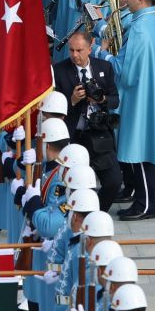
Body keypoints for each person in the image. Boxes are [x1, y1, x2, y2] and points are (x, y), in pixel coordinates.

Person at [110, 0, 155, 220]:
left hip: (138, 99)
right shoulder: (147, 22)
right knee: (140, 152)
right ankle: (141, 202)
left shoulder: (140, 29)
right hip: (144, 96)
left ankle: (146, 205)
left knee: (141, 154)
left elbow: (126, 71)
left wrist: (102, 57)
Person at [53, 28, 121, 210]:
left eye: (79, 50)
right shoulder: (58, 71)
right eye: (71, 50)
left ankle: (95, 212)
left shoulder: (104, 67)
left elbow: (115, 99)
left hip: (100, 134)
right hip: (74, 136)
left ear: (90, 48)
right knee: (79, 185)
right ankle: (80, 218)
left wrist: (101, 99)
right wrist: (72, 100)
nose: (75, 55)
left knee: (114, 182)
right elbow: (52, 110)